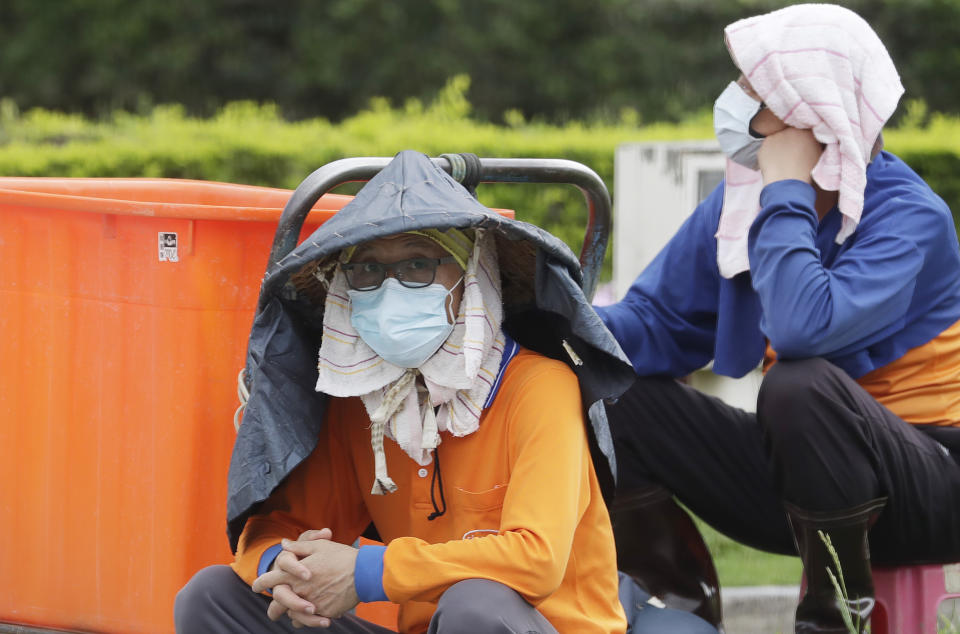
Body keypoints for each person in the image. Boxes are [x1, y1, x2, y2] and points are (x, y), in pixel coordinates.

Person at [174, 151, 717, 633]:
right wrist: (280, 566)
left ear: (471, 277)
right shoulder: (361, 402)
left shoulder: (540, 388)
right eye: (367, 270)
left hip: (535, 627)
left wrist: (366, 572)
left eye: (417, 264)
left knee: (474, 607)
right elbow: (282, 525)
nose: (389, 288)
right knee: (214, 599)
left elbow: (536, 560)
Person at [597, 4, 960, 633]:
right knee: (613, 392)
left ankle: (830, 622)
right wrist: (553, 329)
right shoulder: (740, 205)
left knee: (800, 384)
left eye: (755, 89)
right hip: (809, 487)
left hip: (931, 484)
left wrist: (786, 187)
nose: (735, 102)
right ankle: (677, 612)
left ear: (812, 111)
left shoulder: (911, 219)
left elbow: (800, 329)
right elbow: (655, 324)